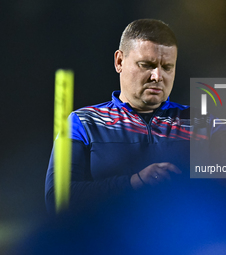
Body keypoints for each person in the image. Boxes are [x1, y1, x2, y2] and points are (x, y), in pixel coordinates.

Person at [45, 19, 194, 213]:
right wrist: (133, 182)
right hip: (107, 242)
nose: (157, 76)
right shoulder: (83, 122)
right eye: (146, 64)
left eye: (167, 67)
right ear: (119, 61)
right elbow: (57, 198)